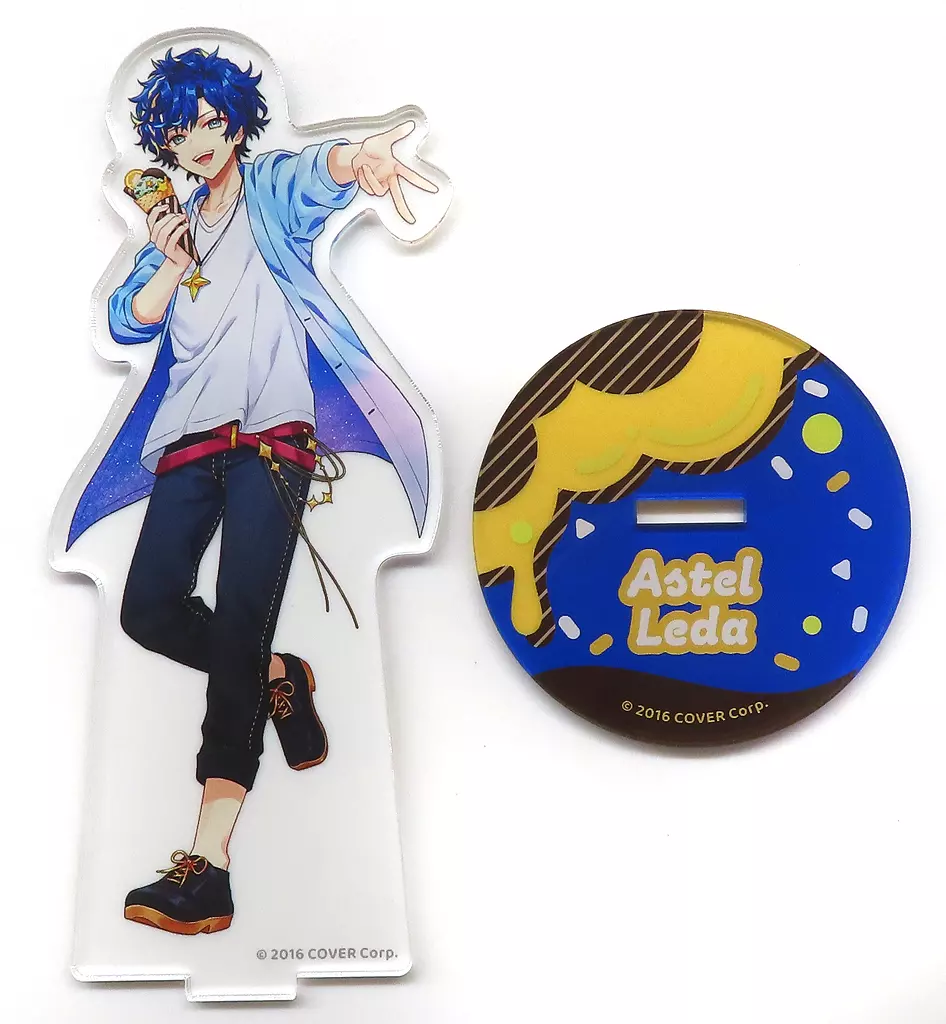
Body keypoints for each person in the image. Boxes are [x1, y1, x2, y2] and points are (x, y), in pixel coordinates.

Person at [71, 46, 438, 935]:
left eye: (212, 120)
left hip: (272, 444)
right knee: (148, 609)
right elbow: (128, 318)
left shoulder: (267, 190)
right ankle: (281, 674)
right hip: (188, 445)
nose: (200, 139)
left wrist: (358, 159)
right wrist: (168, 257)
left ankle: (209, 865)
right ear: (165, 142)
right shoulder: (173, 225)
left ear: (236, 120)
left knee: (237, 628)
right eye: (181, 129)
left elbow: (320, 173)